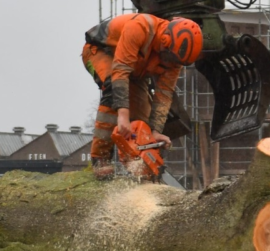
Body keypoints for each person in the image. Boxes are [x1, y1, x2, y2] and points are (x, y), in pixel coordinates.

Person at [82, 13, 203, 176]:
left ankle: (138, 167)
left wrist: (155, 131)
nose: (171, 64)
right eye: (169, 59)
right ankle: (100, 160)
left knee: (141, 125)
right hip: (100, 52)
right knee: (114, 91)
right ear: (165, 41)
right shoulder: (140, 27)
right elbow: (120, 71)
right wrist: (123, 115)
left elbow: (164, 95)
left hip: (136, 72)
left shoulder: (175, 60)